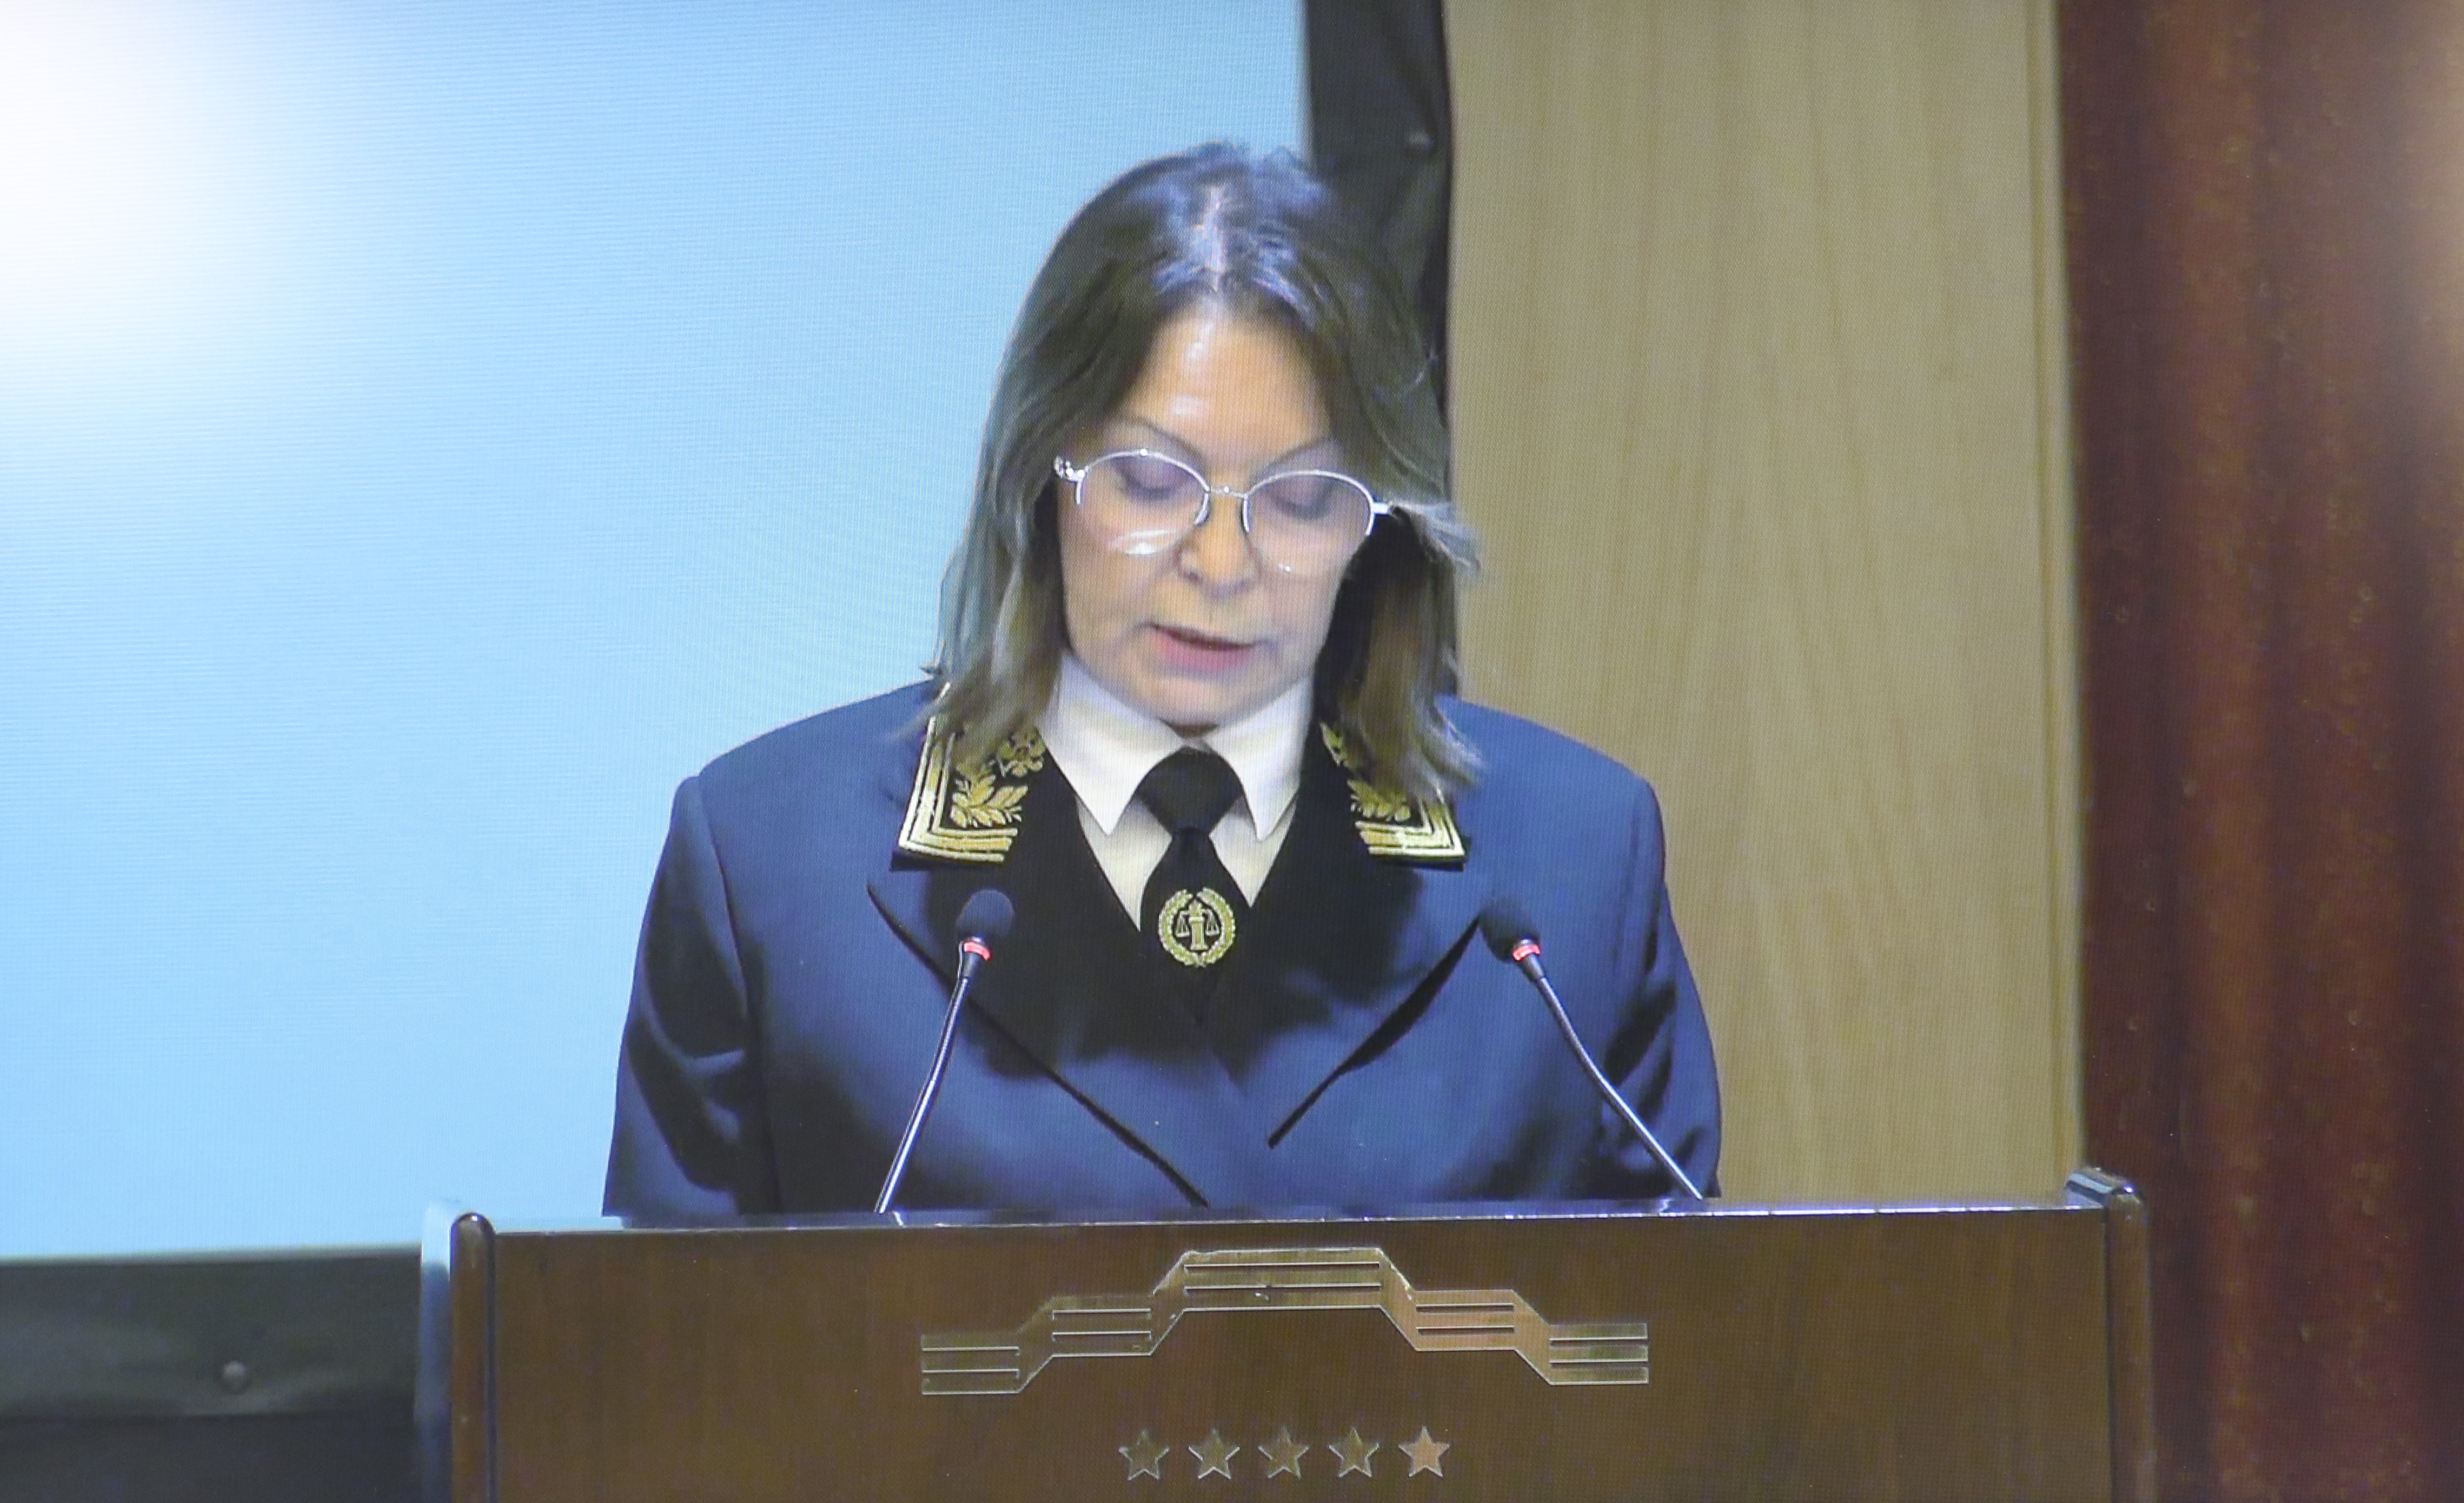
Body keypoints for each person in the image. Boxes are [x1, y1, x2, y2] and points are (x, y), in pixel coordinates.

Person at [603, 144, 1718, 1219]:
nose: (1221, 565)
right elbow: (673, 1337)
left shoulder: (1569, 868)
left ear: (1378, 528)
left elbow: (1678, 1323)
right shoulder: (769, 865)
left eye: (1302, 500)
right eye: (1148, 482)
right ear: (1038, 479)